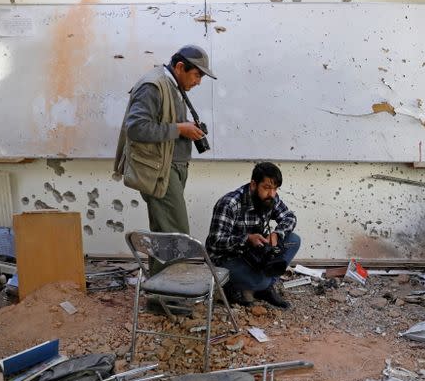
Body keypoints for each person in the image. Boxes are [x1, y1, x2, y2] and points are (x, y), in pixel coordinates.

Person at [114, 45, 215, 274]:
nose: (199, 81)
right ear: (180, 67)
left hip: (170, 169)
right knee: (175, 236)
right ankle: (172, 298)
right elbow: (137, 128)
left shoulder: (172, 85)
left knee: (164, 233)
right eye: (197, 74)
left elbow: (164, 123)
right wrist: (180, 129)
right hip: (161, 171)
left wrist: (187, 127)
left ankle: (161, 294)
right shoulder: (153, 85)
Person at [206, 162, 299, 309]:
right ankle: (233, 286)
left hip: (254, 254)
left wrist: (276, 234)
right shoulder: (229, 203)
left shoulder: (271, 198)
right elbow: (215, 242)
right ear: (254, 184)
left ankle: (266, 287)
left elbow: (289, 217)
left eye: (275, 188)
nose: (272, 194)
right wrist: (247, 239)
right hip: (227, 259)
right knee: (260, 282)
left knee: (293, 240)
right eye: (267, 188)